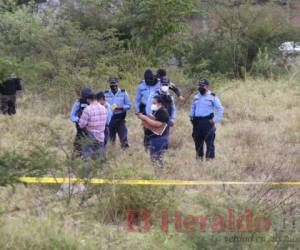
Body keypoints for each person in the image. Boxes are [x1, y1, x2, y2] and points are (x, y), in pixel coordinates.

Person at [189, 78, 224, 160]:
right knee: (197, 141)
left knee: (209, 142)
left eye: (202, 86)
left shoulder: (212, 96)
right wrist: (191, 117)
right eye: (199, 85)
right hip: (197, 122)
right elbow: (193, 108)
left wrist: (214, 120)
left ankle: (210, 160)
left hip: (207, 121)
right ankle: (199, 159)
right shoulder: (196, 97)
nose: (200, 87)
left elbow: (220, 109)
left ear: (207, 86)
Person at [137, 95, 170, 166]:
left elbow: (157, 124)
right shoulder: (157, 111)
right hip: (155, 138)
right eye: (152, 103)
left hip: (159, 138)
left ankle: (159, 173)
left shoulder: (163, 111)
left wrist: (145, 118)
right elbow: (155, 118)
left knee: (157, 158)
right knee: (154, 158)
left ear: (159, 103)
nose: (152, 105)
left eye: (154, 103)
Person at [135, 69, 161, 150]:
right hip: (145, 109)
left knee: (158, 128)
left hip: (157, 109)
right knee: (147, 129)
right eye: (147, 80)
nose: (148, 81)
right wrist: (138, 111)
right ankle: (147, 147)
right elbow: (137, 100)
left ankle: (157, 147)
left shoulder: (159, 82)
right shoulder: (141, 85)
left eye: (150, 80)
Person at [79, 92, 107, 160]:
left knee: (87, 158)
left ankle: (88, 170)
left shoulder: (87, 109)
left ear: (88, 100)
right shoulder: (104, 108)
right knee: (99, 159)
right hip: (101, 136)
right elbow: (106, 122)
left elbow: (81, 125)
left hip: (90, 136)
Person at [104, 76, 131, 149]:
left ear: (118, 83)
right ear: (109, 84)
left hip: (120, 118)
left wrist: (121, 107)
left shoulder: (123, 92)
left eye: (115, 84)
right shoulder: (105, 94)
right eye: (112, 84)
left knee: (123, 138)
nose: (113, 86)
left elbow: (129, 105)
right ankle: (112, 153)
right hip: (110, 119)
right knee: (111, 139)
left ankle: (125, 153)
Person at [70, 87, 93, 156]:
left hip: (91, 127)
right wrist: (78, 120)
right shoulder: (78, 102)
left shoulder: (93, 102)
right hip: (80, 127)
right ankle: (75, 158)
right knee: (78, 144)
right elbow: (72, 115)